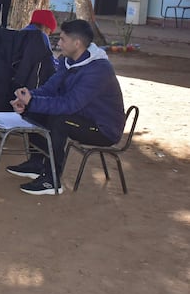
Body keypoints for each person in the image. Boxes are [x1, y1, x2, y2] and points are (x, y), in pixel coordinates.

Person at [7, 19, 126, 195]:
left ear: (76, 43)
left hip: (102, 128)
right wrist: (29, 98)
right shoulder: (67, 60)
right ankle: (37, 162)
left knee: (59, 119)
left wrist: (32, 102)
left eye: (62, 39)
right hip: (81, 117)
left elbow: (70, 104)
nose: (58, 43)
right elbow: (50, 88)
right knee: (34, 110)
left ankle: (52, 180)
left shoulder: (98, 70)